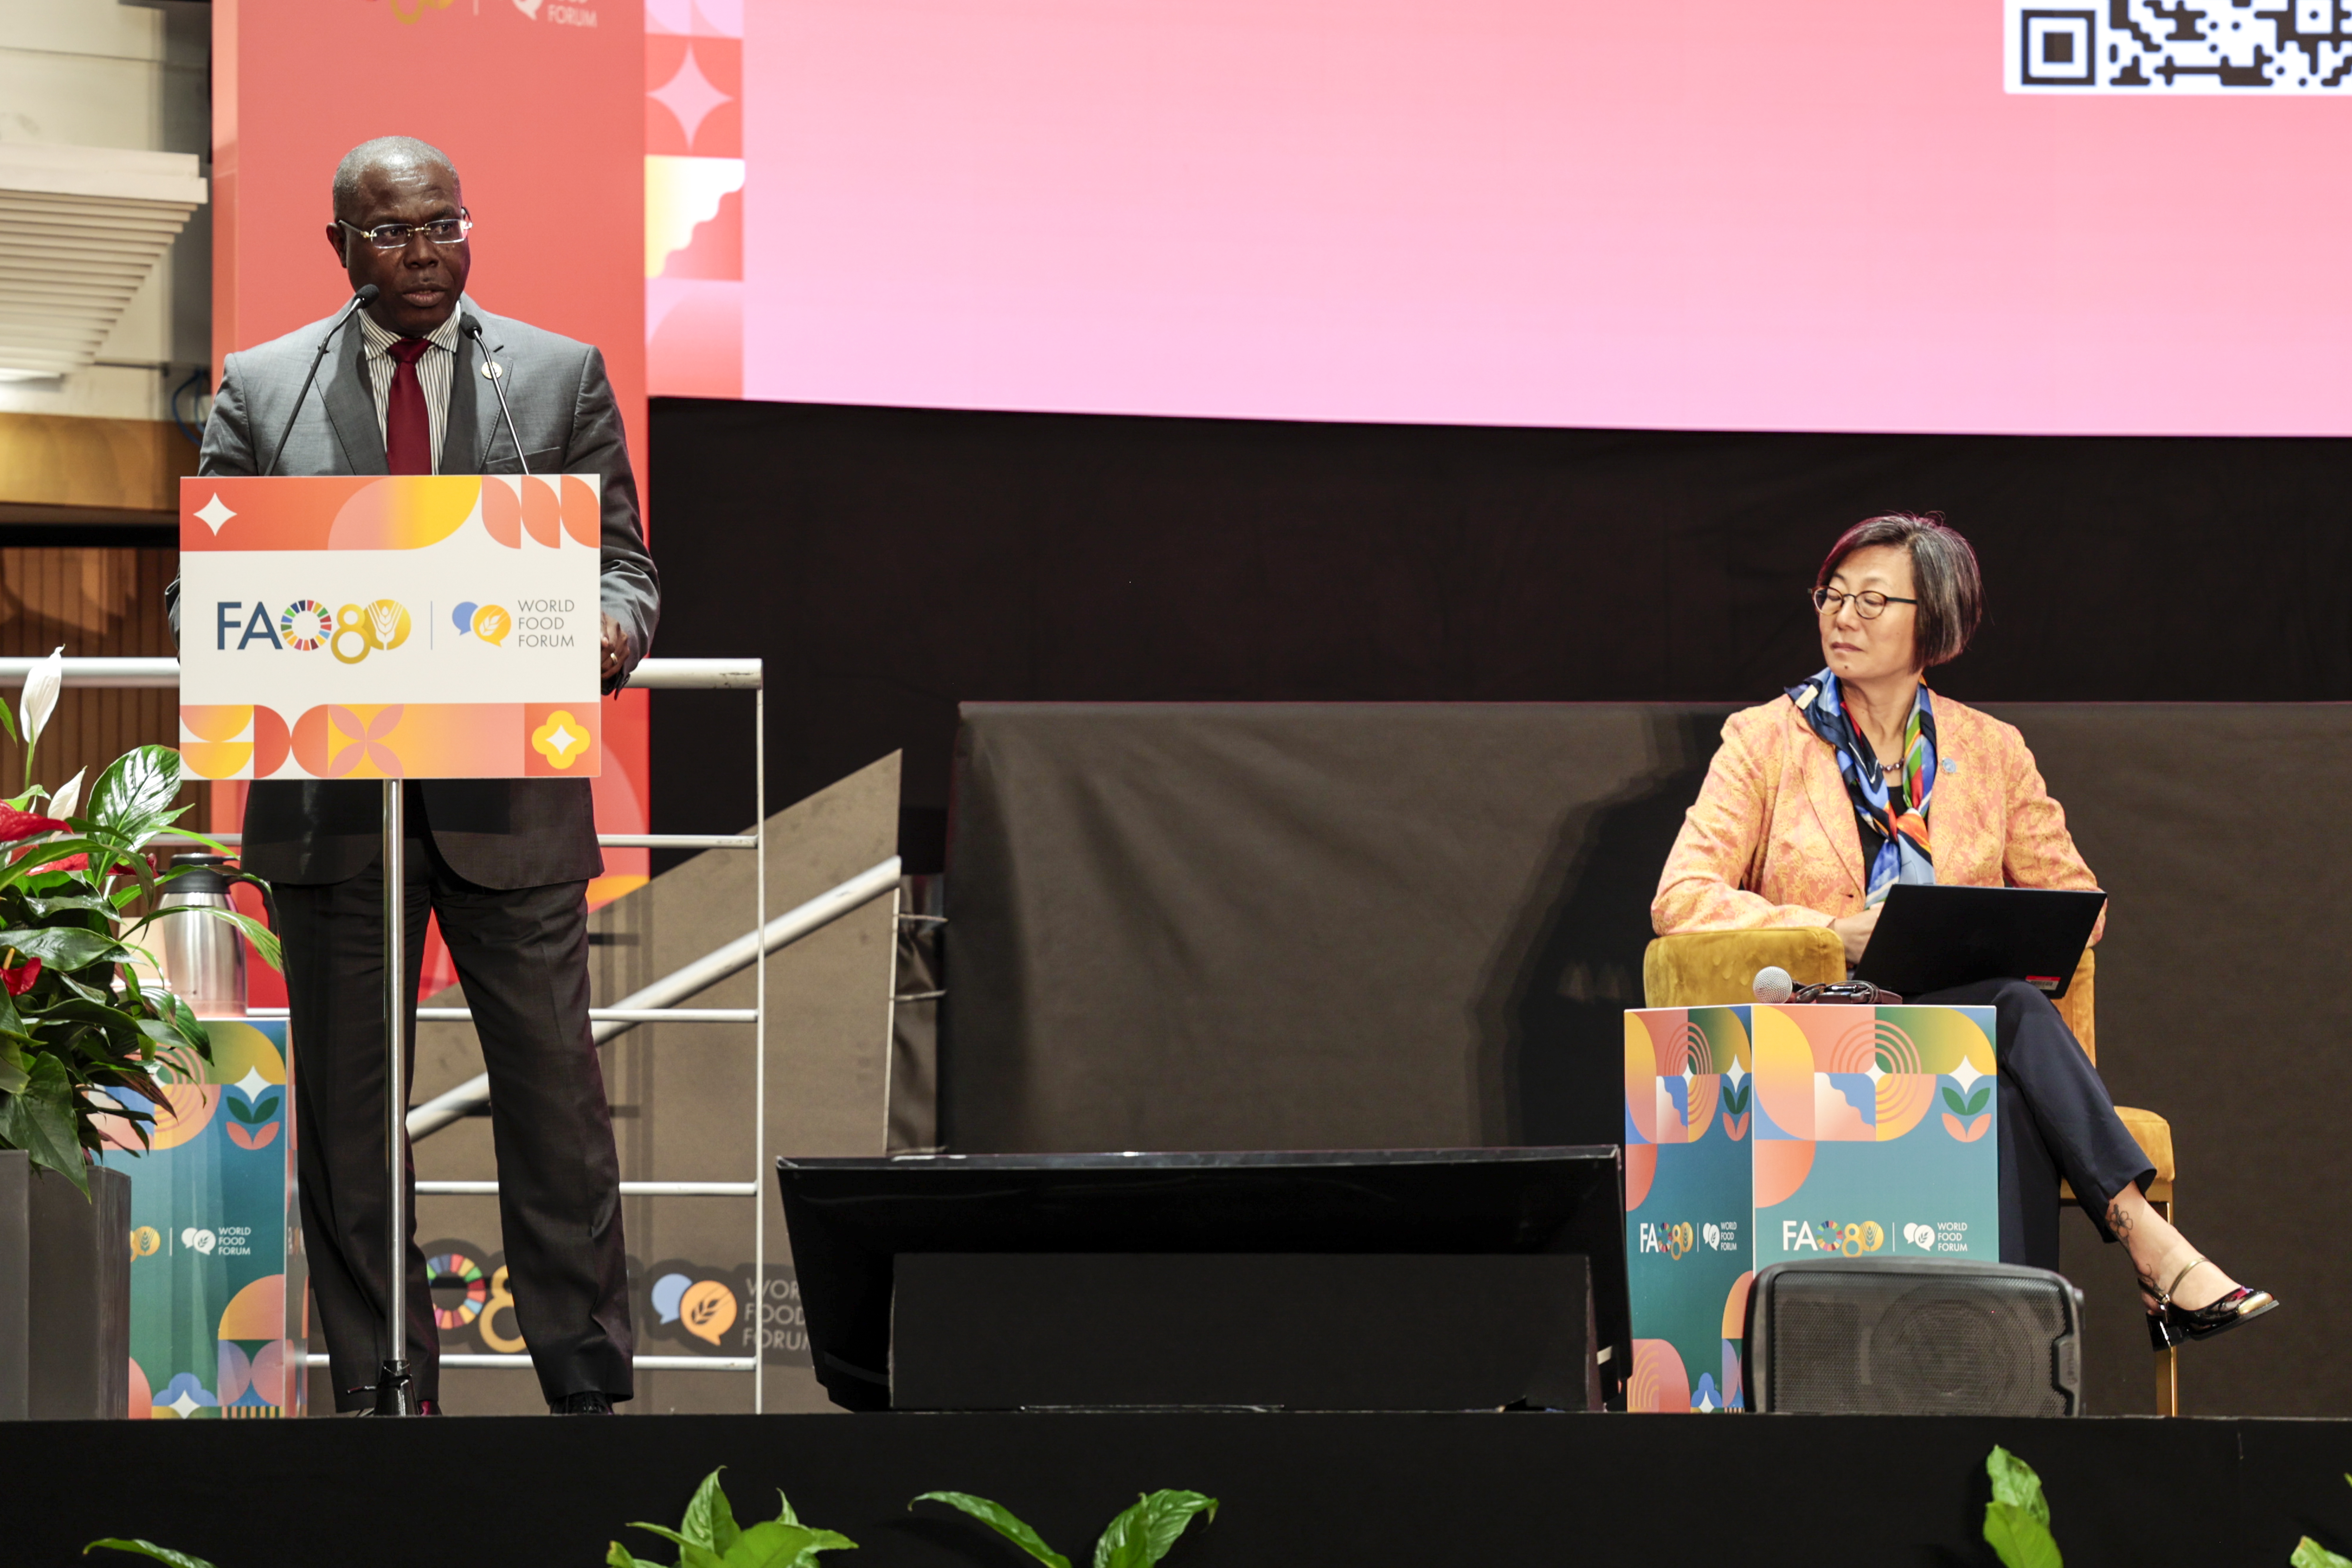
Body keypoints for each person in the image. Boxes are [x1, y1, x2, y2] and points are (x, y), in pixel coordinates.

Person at [176, 135, 659, 1413]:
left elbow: (624, 567)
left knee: (556, 1107)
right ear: (340, 246)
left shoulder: (550, 377)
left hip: (511, 797)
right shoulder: (263, 388)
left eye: (446, 225)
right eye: (394, 232)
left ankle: (590, 1391)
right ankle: (387, 1393)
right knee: (348, 1123)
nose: (426, 251)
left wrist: (612, 628)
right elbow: (203, 591)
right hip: (334, 808)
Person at [1652, 513, 2273, 1352]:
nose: (1843, 616)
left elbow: (2078, 902)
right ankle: (2137, 1258)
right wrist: (1832, 929)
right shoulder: (1765, 739)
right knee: (2014, 1015)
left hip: (1956, 1032)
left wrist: (1973, 924)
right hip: (1820, 1028)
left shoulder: (1992, 750)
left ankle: (2007, 1371)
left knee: (2008, 1070)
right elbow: (1682, 898)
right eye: (1832, 595)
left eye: (1873, 601)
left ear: (1932, 622)